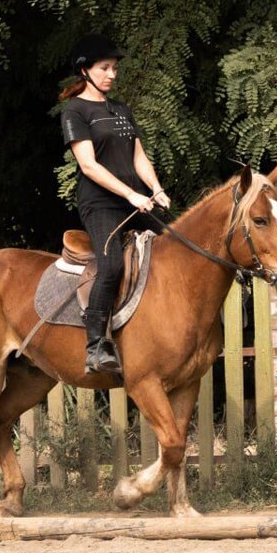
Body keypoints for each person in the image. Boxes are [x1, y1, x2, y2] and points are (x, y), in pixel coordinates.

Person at [60, 33, 171, 377]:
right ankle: (96, 346)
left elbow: (139, 156)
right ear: (85, 71)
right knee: (110, 267)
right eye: (105, 68)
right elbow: (89, 166)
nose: (112, 74)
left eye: (114, 68)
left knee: (178, 244)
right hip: (101, 206)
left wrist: (155, 188)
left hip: (136, 202)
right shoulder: (75, 111)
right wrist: (131, 194)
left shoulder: (121, 109)